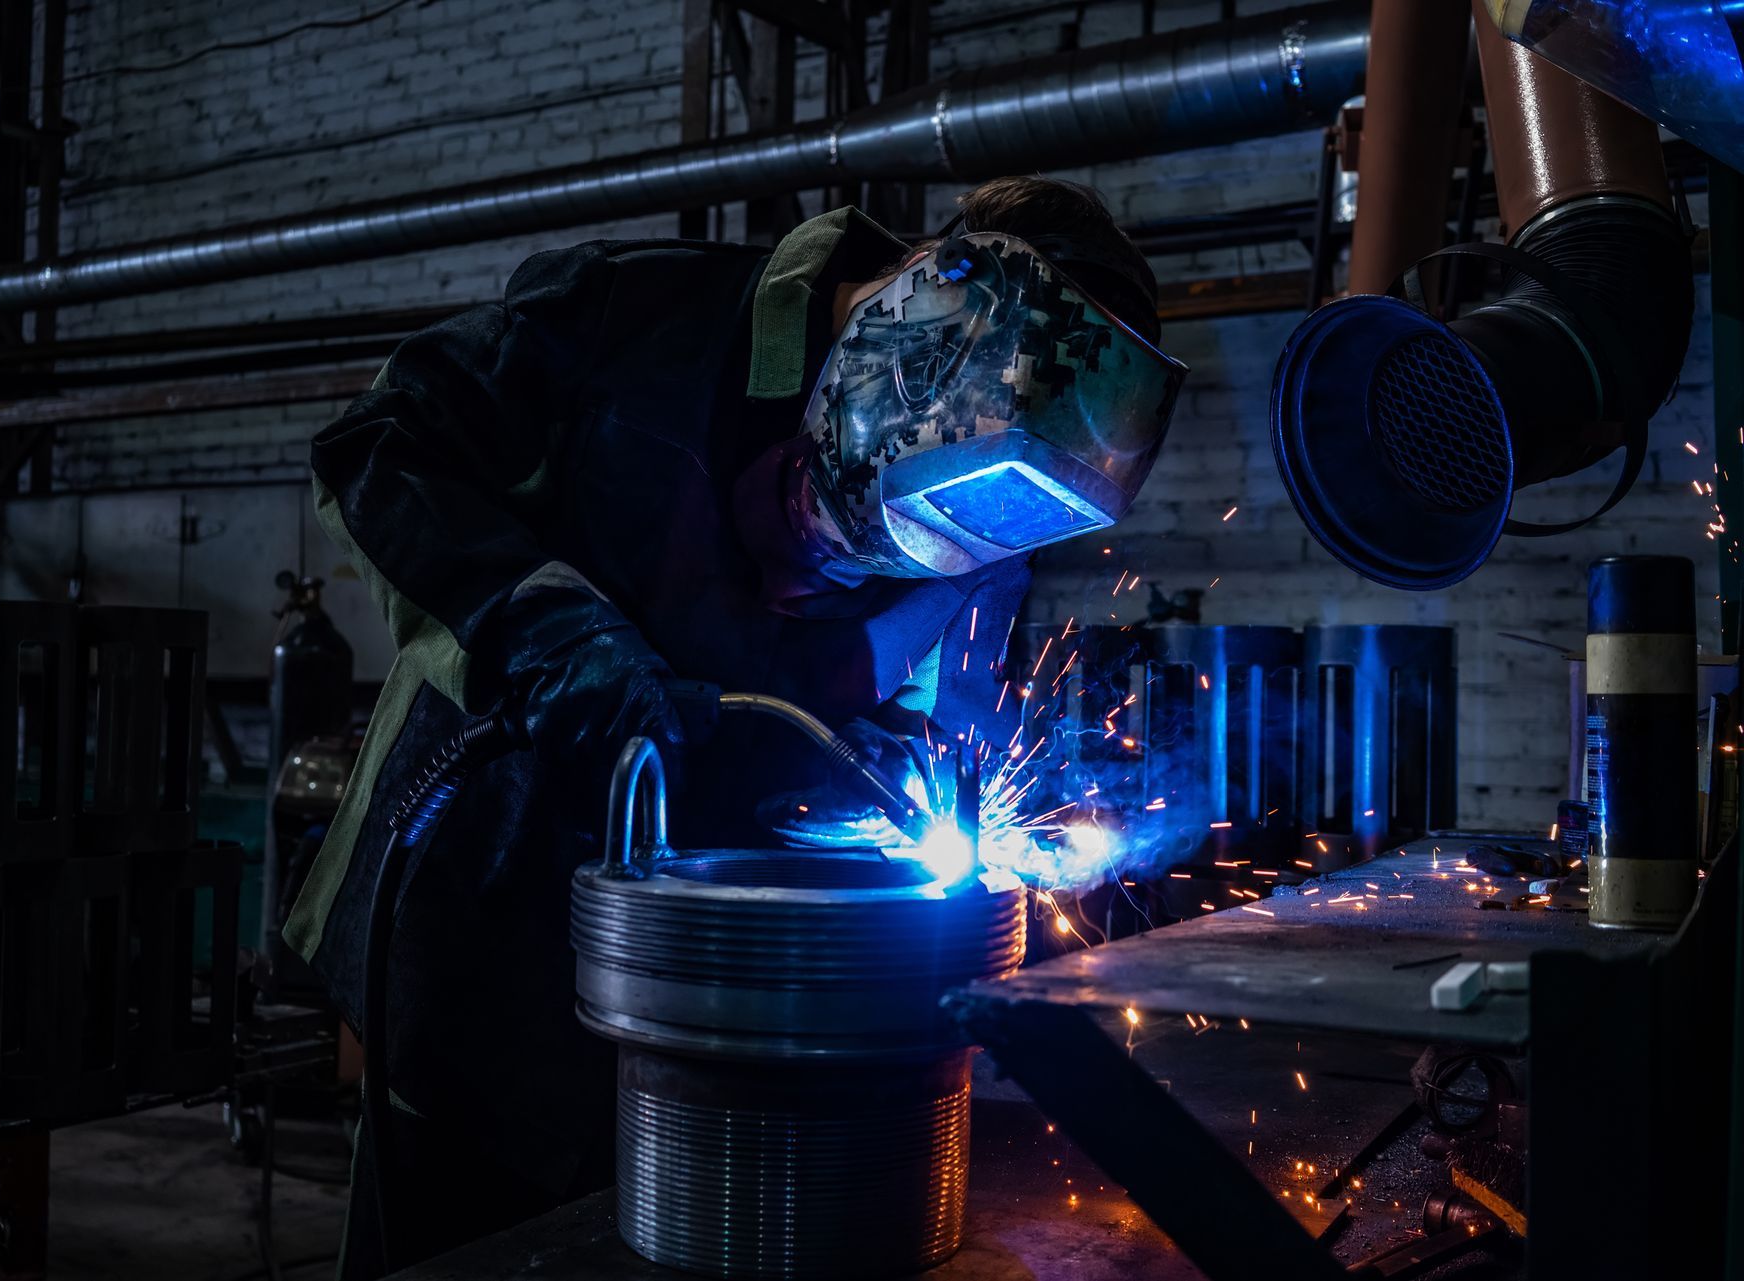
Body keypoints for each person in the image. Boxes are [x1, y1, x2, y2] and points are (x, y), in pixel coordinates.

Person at [281, 175, 1185, 1277]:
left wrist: (886, 772)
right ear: (909, 320)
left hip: (734, 1025)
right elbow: (379, 441)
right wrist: (540, 623)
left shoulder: (997, 519)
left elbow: (936, 723)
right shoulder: (633, 316)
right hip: (479, 938)